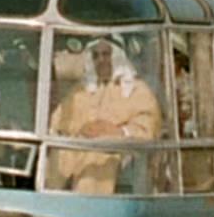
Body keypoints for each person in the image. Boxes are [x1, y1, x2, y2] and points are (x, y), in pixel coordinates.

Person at [47, 39, 161, 194]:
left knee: (95, 160)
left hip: (118, 148)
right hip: (79, 145)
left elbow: (148, 125)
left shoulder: (137, 90)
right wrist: (81, 129)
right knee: (57, 154)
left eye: (106, 54)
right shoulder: (81, 89)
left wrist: (117, 131)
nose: (101, 60)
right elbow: (58, 121)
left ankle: (86, 212)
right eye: (96, 56)